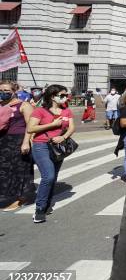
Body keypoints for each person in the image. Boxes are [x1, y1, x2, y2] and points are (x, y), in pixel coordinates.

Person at [26, 84, 75, 223]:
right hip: (41, 145)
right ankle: (39, 209)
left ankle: (47, 203)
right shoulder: (40, 111)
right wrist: (52, 125)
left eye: (66, 95)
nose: (65, 97)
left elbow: (72, 128)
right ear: (53, 96)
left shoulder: (66, 111)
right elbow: (30, 128)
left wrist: (63, 137)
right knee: (48, 176)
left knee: (53, 177)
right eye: (62, 95)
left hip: (59, 146)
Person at [0, 80, 35, 212]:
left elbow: (30, 126)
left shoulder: (24, 105)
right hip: (2, 141)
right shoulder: (1, 105)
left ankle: (19, 199)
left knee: (18, 171)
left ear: (14, 91)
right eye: (1, 90)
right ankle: (7, 194)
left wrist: (26, 142)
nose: (3, 93)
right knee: (4, 171)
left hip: (18, 141)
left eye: (6, 91)